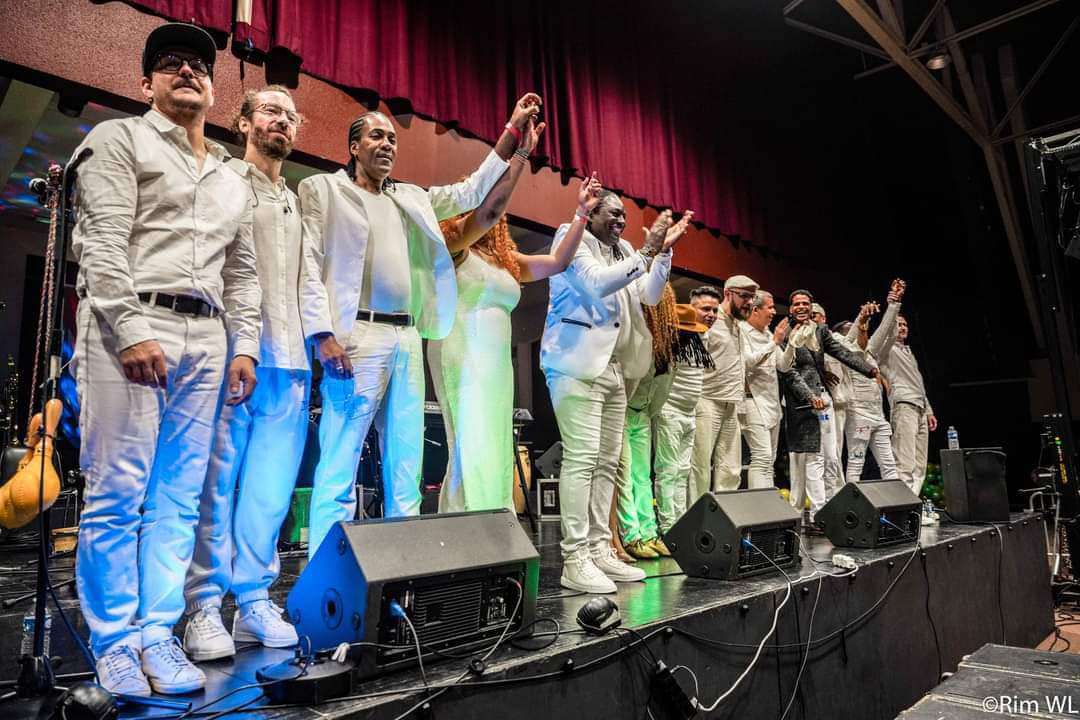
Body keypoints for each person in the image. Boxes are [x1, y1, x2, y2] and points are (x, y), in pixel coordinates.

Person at [71, 23, 260, 695]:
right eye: (170, 62)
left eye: (199, 65)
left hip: (206, 336)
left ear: (212, 87)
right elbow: (101, 243)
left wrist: (244, 346)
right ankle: (115, 642)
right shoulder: (119, 138)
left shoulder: (232, 177)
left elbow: (242, 274)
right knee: (118, 492)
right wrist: (129, 329)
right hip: (131, 322)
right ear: (145, 81)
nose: (187, 71)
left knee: (180, 495)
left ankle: (157, 632)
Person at [299, 96, 536, 555]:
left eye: (392, 138)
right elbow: (308, 263)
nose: (388, 144)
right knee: (340, 460)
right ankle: (324, 571)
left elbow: (472, 192)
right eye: (376, 136)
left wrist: (511, 133)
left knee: (406, 464)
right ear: (353, 146)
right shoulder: (322, 189)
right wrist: (321, 333)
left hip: (406, 336)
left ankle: (401, 566)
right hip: (357, 335)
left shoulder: (411, 198)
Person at [182, 85, 307, 662]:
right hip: (233, 355)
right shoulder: (223, 179)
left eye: (290, 115)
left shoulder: (294, 200)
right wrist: (235, 345)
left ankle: (254, 600)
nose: (282, 120)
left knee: (269, 492)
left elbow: (308, 279)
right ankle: (203, 606)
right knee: (216, 486)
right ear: (243, 121)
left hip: (290, 361)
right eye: (270, 111)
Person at [429, 147, 605, 512]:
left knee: (494, 443)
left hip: (496, 362)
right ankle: (464, 523)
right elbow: (487, 212)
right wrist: (520, 154)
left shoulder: (507, 262)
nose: (492, 209)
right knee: (470, 442)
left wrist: (581, 214)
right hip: (461, 350)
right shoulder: (454, 248)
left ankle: (495, 521)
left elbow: (557, 262)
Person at [541, 193, 692, 593]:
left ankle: (599, 547)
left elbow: (649, 296)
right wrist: (646, 252)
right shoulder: (571, 237)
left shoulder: (624, 249)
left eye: (625, 215)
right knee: (582, 458)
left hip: (616, 367)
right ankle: (575, 558)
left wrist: (663, 254)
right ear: (590, 213)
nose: (622, 220)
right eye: (613, 213)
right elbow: (596, 284)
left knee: (608, 463)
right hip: (575, 364)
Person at [779, 290, 876, 523]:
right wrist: (809, 396)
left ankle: (830, 507)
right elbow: (789, 372)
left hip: (826, 400)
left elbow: (840, 351)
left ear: (810, 306)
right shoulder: (785, 332)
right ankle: (817, 515)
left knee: (831, 456)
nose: (801, 307)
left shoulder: (820, 330)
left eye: (805, 303)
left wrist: (868, 369)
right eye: (796, 304)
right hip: (802, 404)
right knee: (814, 457)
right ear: (791, 308)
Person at [616, 284, 678, 559]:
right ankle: (631, 535)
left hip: (641, 413)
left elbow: (663, 387)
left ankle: (649, 532)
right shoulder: (635, 335)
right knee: (625, 475)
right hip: (622, 411)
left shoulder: (665, 345)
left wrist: (647, 413)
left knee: (642, 475)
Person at [690, 275, 757, 499]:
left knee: (731, 469)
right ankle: (696, 516)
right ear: (728, 294)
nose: (750, 302)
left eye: (752, 297)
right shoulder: (711, 319)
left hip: (731, 403)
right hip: (706, 400)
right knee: (699, 467)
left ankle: (724, 517)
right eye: (745, 296)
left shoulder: (737, 324)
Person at [651, 302, 713, 534]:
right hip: (669, 411)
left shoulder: (697, 343)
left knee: (683, 470)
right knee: (668, 471)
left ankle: (680, 521)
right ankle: (668, 526)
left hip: (689, 412)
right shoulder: (667, 347)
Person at [876, 281, 938, 496]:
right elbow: (887, 330)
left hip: (920, 407)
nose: (902, 328)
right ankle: (903, 507)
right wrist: (894, 303)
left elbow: (918, 384)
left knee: (920, 465)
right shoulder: (886, 350)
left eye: (905, 325)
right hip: (904, 406)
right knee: (905, 461)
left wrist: (928, 410)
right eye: (898, 324)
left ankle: (914, 505)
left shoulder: (908, 352)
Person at [842, 284, 902, 482]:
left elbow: (884, 330)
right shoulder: (844, 353)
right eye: (855, 328)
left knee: (889, 466)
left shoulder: (870, 352)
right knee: (856, 464)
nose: (863, 330)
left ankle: (896, 502)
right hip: (859, 416)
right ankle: (850, 501)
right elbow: (852, 338)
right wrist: (861, 319)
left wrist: (894, 304)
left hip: (878, 416)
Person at [739, 291, 790, 488]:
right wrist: (774, 342)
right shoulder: (742, 330)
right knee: (761, 456)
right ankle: (758, 503)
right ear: (755, 310)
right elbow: (748, 363)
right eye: (770, 307)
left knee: (770, 460)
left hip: (771, 402)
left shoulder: (768, 333)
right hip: (751, 400)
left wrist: (792, 344)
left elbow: (783, 366)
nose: (774, 312)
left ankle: (767, 502)